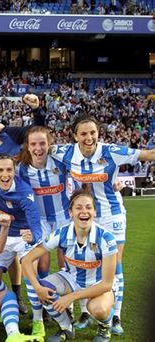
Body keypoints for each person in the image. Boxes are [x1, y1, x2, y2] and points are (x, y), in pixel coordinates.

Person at [50, 114, 155, 334]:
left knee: (115, 264)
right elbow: (38, 147)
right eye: (84, 133)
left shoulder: (111, 152)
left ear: (98, 133)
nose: (89, 138)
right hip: (84, 213)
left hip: (111, 214)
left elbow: (148, 154)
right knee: (80, 262)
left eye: (93, 133)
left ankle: (115, 316)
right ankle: (85, 312)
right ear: (75, 135)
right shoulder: (65, 152)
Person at [21, 189, 118, 342]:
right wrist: (38, 288)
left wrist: (70, 298)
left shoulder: (106, 238)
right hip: (72, 278)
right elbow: (26, 260)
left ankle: (105, 326)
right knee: (45, 289)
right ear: (70, 213)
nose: (84, 211)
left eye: (88, 207)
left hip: (98, 284)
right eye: (78, 208)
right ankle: (67, 328)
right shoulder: (61, 233)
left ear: (94, 211)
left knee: (97, 309)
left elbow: (106, 284)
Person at [17, 126, 71, 336]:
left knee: (67, 261)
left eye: (42, 143)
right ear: (28, 147)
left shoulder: (60, 162)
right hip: (39, 221)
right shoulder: (21, 169)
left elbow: (83, 174)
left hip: (64, 217)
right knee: (40, 262)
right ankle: (40, 316)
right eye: (33, 144)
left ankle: (73, 309)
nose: (38, 148)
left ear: (49, 145)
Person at [0, 154, 44, 319]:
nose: (5, 175)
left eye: (9, 170)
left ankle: (38, 321)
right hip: (2, 234)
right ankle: (8, 301)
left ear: (14, 171)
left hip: (23, 237)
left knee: (31, 274)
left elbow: (35, 220)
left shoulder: (23, 191)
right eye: (0, 170)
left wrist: (33, 236)